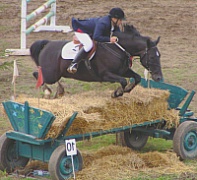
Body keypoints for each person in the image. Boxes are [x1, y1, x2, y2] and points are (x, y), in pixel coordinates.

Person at [67, 7, 126, 74]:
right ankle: (74, 64)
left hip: (91, 31)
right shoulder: (103, 23)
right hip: (82, 30)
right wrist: (109, 39)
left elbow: (118, 34)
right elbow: (96, 37)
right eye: (120, 20)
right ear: (114, 19)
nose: (121, 22)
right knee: (89, 45)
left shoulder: (114, 24)